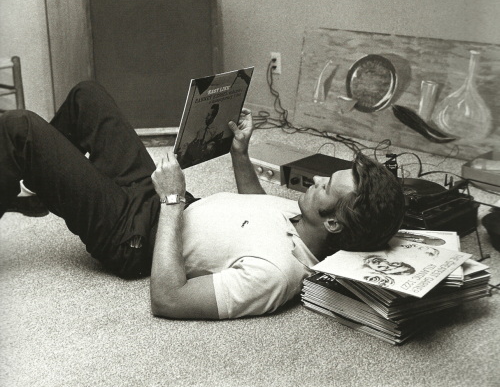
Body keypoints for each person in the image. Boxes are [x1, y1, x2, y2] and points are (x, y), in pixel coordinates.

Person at [0, 81, 405, 320]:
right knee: (88, 96)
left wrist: (173, 199)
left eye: (325, 186)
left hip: (133, 238)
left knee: (20, 129)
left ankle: (19, 174)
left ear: (334, 223)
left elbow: (168, 298)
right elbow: (255, 209)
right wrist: (239, 154)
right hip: (159, 200)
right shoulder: (303, 222)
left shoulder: (278, 274)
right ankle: (36, 179)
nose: (315, 179)